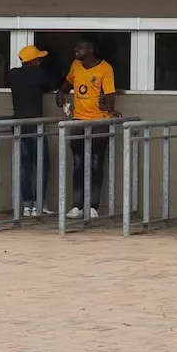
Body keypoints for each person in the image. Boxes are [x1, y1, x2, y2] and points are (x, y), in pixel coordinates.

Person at [56, 38, 118, 220]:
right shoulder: (75, 65)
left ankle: (93, 206)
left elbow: (110, 95)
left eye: (80, 47)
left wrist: (109, 107)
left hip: (98, 122)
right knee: (77, 163)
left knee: (96, 163)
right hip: (78, 121)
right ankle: (77, 206)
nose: (76, 49)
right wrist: (60, 93)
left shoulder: (105, 68)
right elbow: (66, 85)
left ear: (90, 49)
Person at [4, 45, 57, 215]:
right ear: (33, 61)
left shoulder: (13, 74)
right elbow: (52, 84)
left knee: (24, 166)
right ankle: (39, 205)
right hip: (35, 124)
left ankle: (27, 205)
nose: (41, 61)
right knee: (42, 164)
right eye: (39, 59)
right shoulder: (38, 73)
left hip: (18, 125)